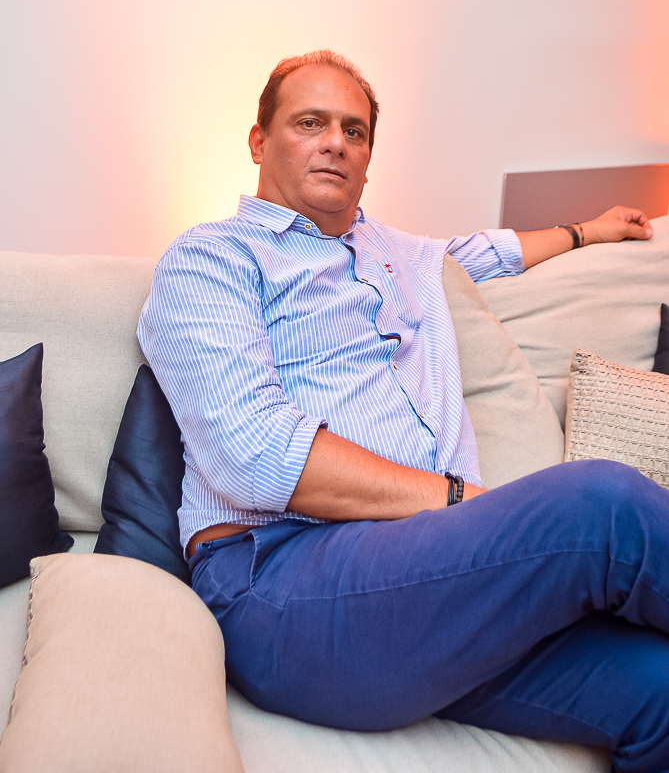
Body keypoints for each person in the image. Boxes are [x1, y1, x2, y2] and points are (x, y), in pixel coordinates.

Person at [138, 50, 669, 773]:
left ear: (367, 161)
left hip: (427, 582)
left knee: (659, 691)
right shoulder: (211, 259)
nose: (335, 142)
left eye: (353, 131)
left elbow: (483, 253)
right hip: (281, 580)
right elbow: (254, 453)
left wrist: (585, 232)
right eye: (310, 122)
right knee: (602, 505)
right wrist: (458, 502)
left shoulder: (400, 256)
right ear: (259, 142)